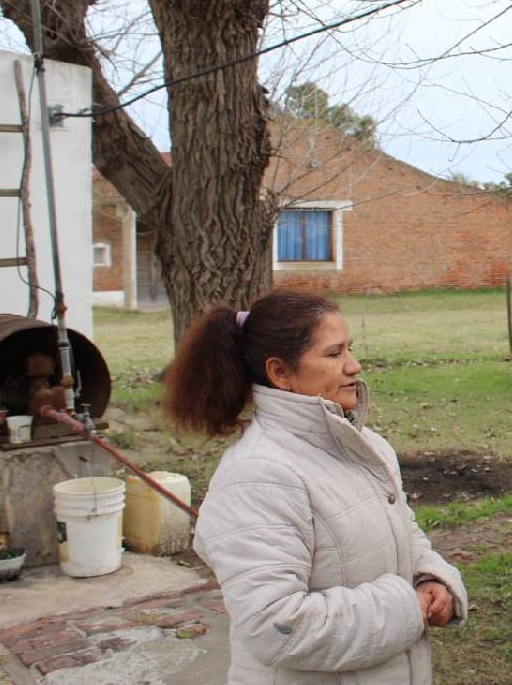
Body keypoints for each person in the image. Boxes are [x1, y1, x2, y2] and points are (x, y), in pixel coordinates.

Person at [163, 290, 467, 685]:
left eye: (350, 349)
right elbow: (274, 625)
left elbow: (402, 532)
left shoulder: (366, 446)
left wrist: (432, 579)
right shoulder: (257, 476)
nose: (354, 366)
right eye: (334, 353)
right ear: (280, 373)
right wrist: (408, 607)